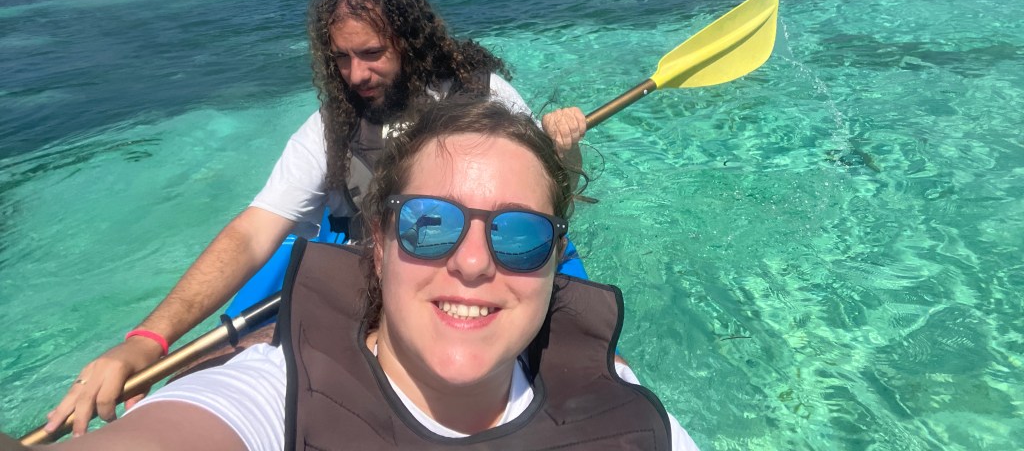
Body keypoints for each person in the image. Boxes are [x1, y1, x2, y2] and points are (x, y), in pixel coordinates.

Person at [47, 0, 588, 437]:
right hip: (371, 269)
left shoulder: (483, 96)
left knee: (586, 365)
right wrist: (148, 340)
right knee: (226, 361)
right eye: (342, 59)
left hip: (477, 259)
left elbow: (549, 196)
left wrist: (565, 152)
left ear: (409, 42)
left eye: (371, 53)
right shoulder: (331, 130)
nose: (356, 75)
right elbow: (255, 232)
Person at [35, 99, 698, 450]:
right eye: (430, 223)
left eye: (519, 234)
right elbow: (255, 232)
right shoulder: (279, 395)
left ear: (556, 260)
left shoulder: (623, 409)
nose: (472, 263)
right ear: (376, 245)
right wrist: (148, 339)